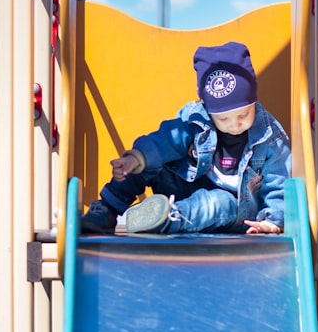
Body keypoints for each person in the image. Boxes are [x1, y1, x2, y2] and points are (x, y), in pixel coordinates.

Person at [79, 40, 291, 235]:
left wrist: (273, 220)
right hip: (189, 186)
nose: (235, 124)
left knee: (215, 201)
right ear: (207, 110)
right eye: (223, 119)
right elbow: (166, 141)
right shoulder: (196, 118)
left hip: (233, 205)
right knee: (148, 163)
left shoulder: (270, 136)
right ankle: (106, 211)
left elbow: (278, 181)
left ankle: (166, 219)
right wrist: (135, 159)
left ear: (254, 101)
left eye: (243, 115)